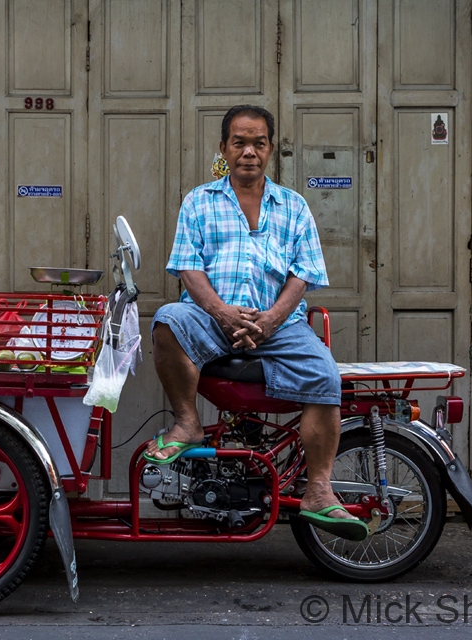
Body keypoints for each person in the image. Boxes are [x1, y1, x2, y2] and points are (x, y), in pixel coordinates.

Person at [143, 104, 368, 541]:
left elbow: (303, 274)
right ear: (223, 148)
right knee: (169, 318)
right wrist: (222, 313)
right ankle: (187, 423)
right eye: (239, 142)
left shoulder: (294, 206)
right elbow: (189, 270)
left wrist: (269, 321)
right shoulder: (199, 201)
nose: (249, 151)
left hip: (278, 326)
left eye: (258, 143)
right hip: (211, 318)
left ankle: (319, 491)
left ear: (270, 149)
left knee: (325, 374)